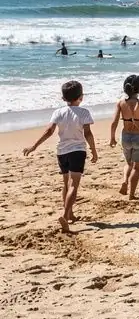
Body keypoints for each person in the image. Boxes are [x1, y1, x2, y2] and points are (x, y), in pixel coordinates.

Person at [23, 79, 97, 232]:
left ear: (63, 98)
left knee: (65, 184)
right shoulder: (84, 112)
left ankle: (70, 214)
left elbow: (49, 131)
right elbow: (88, 133)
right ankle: (65, 215)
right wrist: (94, 150)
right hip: (77, 151)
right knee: (73, 185)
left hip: (61, 152)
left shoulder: (58, 112)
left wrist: (34, 146)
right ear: (81, 97)